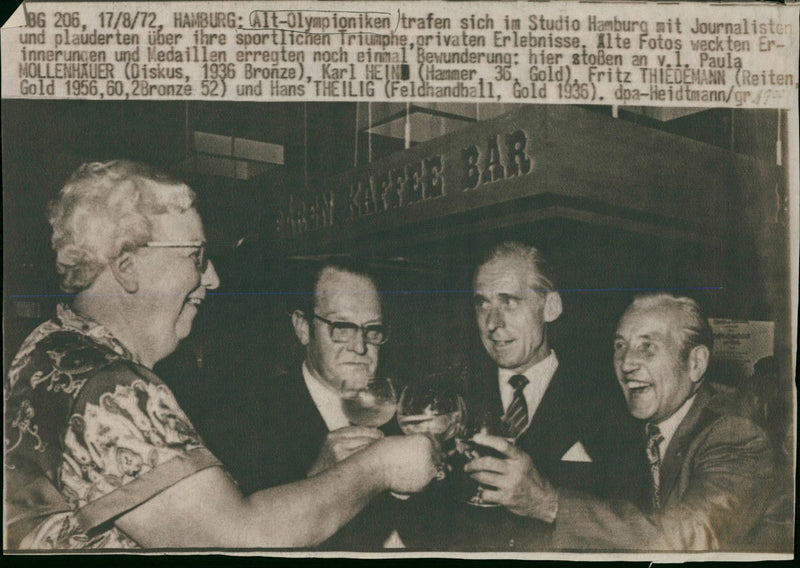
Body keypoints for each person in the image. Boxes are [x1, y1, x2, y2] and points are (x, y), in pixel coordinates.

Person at [4, 160, 440, 550]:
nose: (211, 278)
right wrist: (379, 467)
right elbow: (240, 535)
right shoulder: (110, 388)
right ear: (127, 265)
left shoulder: (49, 348)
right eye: (196, 256)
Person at [465, 292, 776, 551]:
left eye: (647, 347)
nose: (626, 363)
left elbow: (692, 536)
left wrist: (551, 504)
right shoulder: (633, 425)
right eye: (620, 346)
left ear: (695, 363)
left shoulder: (736, 433)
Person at [400, 241, 646, 550]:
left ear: (551, 307)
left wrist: (546, 503)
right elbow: (419, 527)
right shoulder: (449, 399)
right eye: (482, 304)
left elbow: (634, 525)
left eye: (509, 301)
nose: (493, 324)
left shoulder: (609, 402)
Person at [200, 259, 402, 548]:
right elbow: (236, 541)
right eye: (342, 327)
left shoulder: (399, 412)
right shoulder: (247, 417)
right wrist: (317, 477)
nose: (360, 347)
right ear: (303, 327)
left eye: (372, 330)